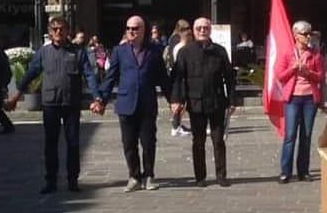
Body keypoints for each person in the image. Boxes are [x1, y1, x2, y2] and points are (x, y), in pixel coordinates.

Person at [7, 17, 98, 194]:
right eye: (54, 29)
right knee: (51, 144)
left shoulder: (78, 51)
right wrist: (17, 94)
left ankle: (72, 180)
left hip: (71, 103)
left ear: (68, 31)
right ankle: (51, 180)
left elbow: (89, 74)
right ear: (50, 32)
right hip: (50, 104)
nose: (58, 32)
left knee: (73, 143)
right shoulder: (43, 52)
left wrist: (97, 98)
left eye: (62, 29)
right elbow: (32, 72)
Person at [93, 15, 171, 192]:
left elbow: (163, 79)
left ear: (143, 30)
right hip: (126, 102)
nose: (131, 31)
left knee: (148, 142)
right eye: (128, 28)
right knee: (128, 143)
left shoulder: (154, 51)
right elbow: (110, 78)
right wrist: (101, 99)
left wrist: (173, 100)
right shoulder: (119, 51)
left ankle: (149, 175)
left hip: (147, 103)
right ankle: (134, 176)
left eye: (135, 28)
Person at [171, 17, 236, 187]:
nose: (202, 31)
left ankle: (221, 175)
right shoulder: (185, 52)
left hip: (216, 101)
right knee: (198, 141)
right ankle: (200, 177)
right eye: (199, 28)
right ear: (193, 30)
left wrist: (232, 100)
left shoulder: (220, 51)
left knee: (218, 140)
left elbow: (229, 77)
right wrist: (176, 100)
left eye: (205, 28)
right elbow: (178, 78)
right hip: (195, 102)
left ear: (210, 30)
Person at [276, 20, 326, 184]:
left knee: (306, 135)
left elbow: (320, 76)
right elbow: (280, 76)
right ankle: (285, 171)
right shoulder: (287, 53)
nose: (308, 36)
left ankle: (303, 171)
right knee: (290, 135)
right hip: (293, 98)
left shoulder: (315, 54)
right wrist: (293, 68)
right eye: (305, 34)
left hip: (310, 98)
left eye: (310, 33)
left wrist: (307, 72)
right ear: (296, 35)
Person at [167, 21, 193, 136]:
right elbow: (179, 62)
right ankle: (176, 126)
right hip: (179, 76)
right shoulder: (178, 44)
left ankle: (177, 125)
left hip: (180, 76)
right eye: (186, 29)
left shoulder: (177, 42)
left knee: (182, 102)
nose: (189, 31)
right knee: (180, 102)